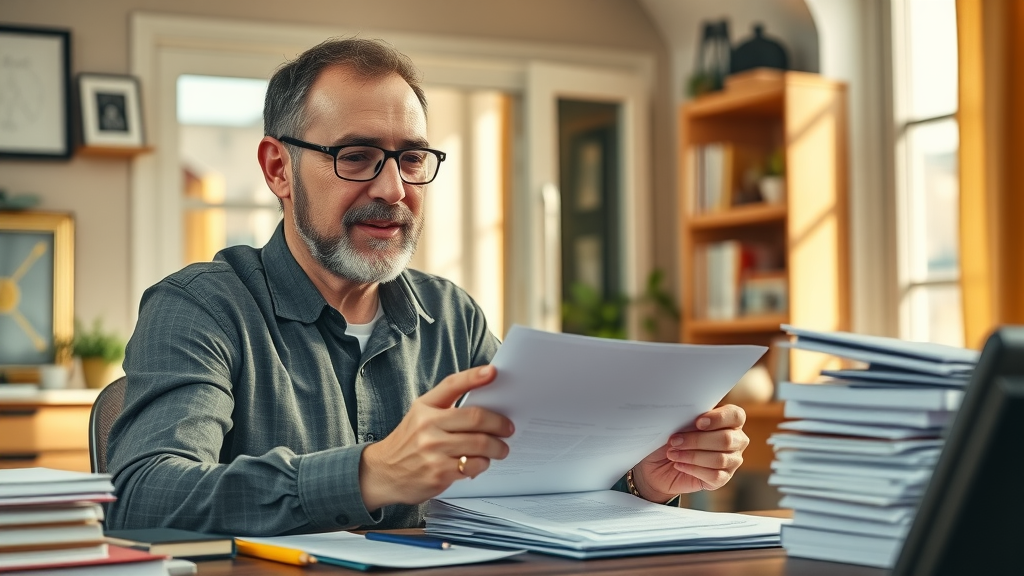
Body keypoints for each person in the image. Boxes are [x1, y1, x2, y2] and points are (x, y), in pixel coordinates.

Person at [105, 38, 750, 535]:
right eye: (355, 157)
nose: (393, 190)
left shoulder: (453, 316)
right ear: (279, 168)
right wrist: (367, 474)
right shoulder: (198, 308)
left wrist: (643, 479)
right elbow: (143, 498)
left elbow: (529, 484)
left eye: (412, 158)